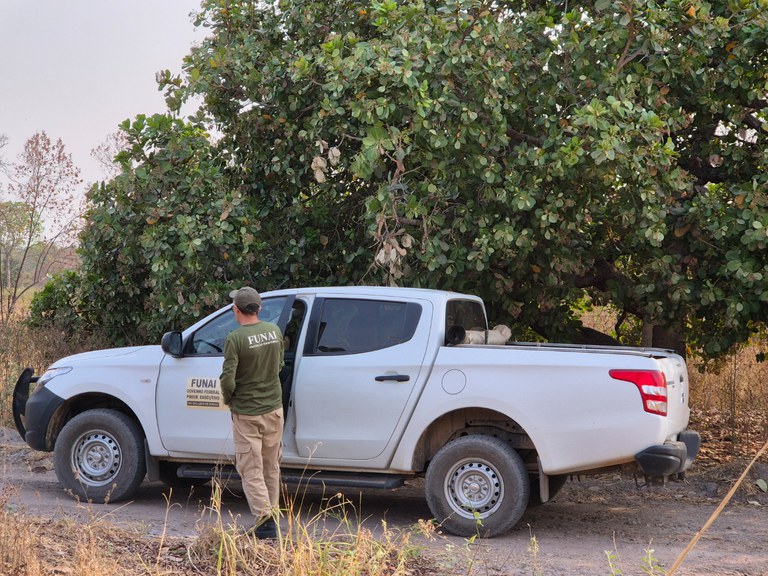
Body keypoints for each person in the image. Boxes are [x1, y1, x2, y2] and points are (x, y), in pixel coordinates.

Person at [219, 286, 285, 538]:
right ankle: (272, 517)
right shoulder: (274, 331)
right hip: (274, 410)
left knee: (251, 468)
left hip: (247, 413)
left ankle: (264, 521)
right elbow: (279, 365)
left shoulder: (235, 338)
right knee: (271, 466)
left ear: (236, 309)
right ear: (259, 308)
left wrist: (229, 399)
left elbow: (228, 378)